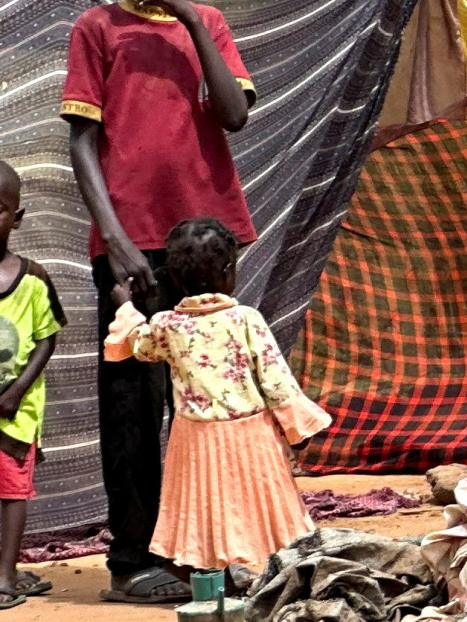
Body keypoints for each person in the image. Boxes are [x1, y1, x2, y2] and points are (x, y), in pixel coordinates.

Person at [63, 0, 256, 603]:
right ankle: (134, 561)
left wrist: (190, 20)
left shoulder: (207, 22)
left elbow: (233, 115)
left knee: (215, 399)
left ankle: (213, 549)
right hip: (129, 245)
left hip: (207, 243)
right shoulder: (97, 29)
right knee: (132, 406)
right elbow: (83, 142)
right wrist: (114, 239)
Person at [100, 218, 328, 581]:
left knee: (204, 504)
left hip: (195, 440)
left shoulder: (167, 325)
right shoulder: (245, 320)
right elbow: (276, 379)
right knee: (263, 505)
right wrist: (299, 427)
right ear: (228, 270)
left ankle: (204, 569)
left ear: (173, 278)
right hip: (250, 436)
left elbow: (133, 345)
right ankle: (272, 571)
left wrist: (125, 306)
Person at [0, 161, 64, 609]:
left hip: (13, 413)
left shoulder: (34, 279)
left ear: (17, 217)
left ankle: (4, 578)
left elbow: (47, 337)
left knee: (11, 492)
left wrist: (17, 390)